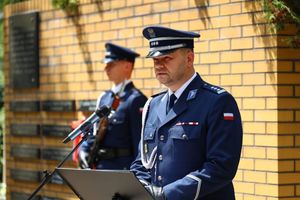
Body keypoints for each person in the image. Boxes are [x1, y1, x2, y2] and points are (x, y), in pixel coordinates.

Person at [130, 26, 243, 200]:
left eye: (166, 58)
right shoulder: (152, 105)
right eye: (155, 60)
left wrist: (167, 194)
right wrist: (142, 190)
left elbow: (221, 166)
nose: (159, 65)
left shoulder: (217, 102)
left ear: (189, 58)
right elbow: (141, 162)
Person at [79, 42, 147, 170]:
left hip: (121, 171)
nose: (106, 69)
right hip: (99, 168)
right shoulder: (104, 98)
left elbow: (140, 145)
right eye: (106, 65)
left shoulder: (136, 100)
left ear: (127, 66)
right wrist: (84, 149)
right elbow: (94, 132)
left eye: (111, 64)